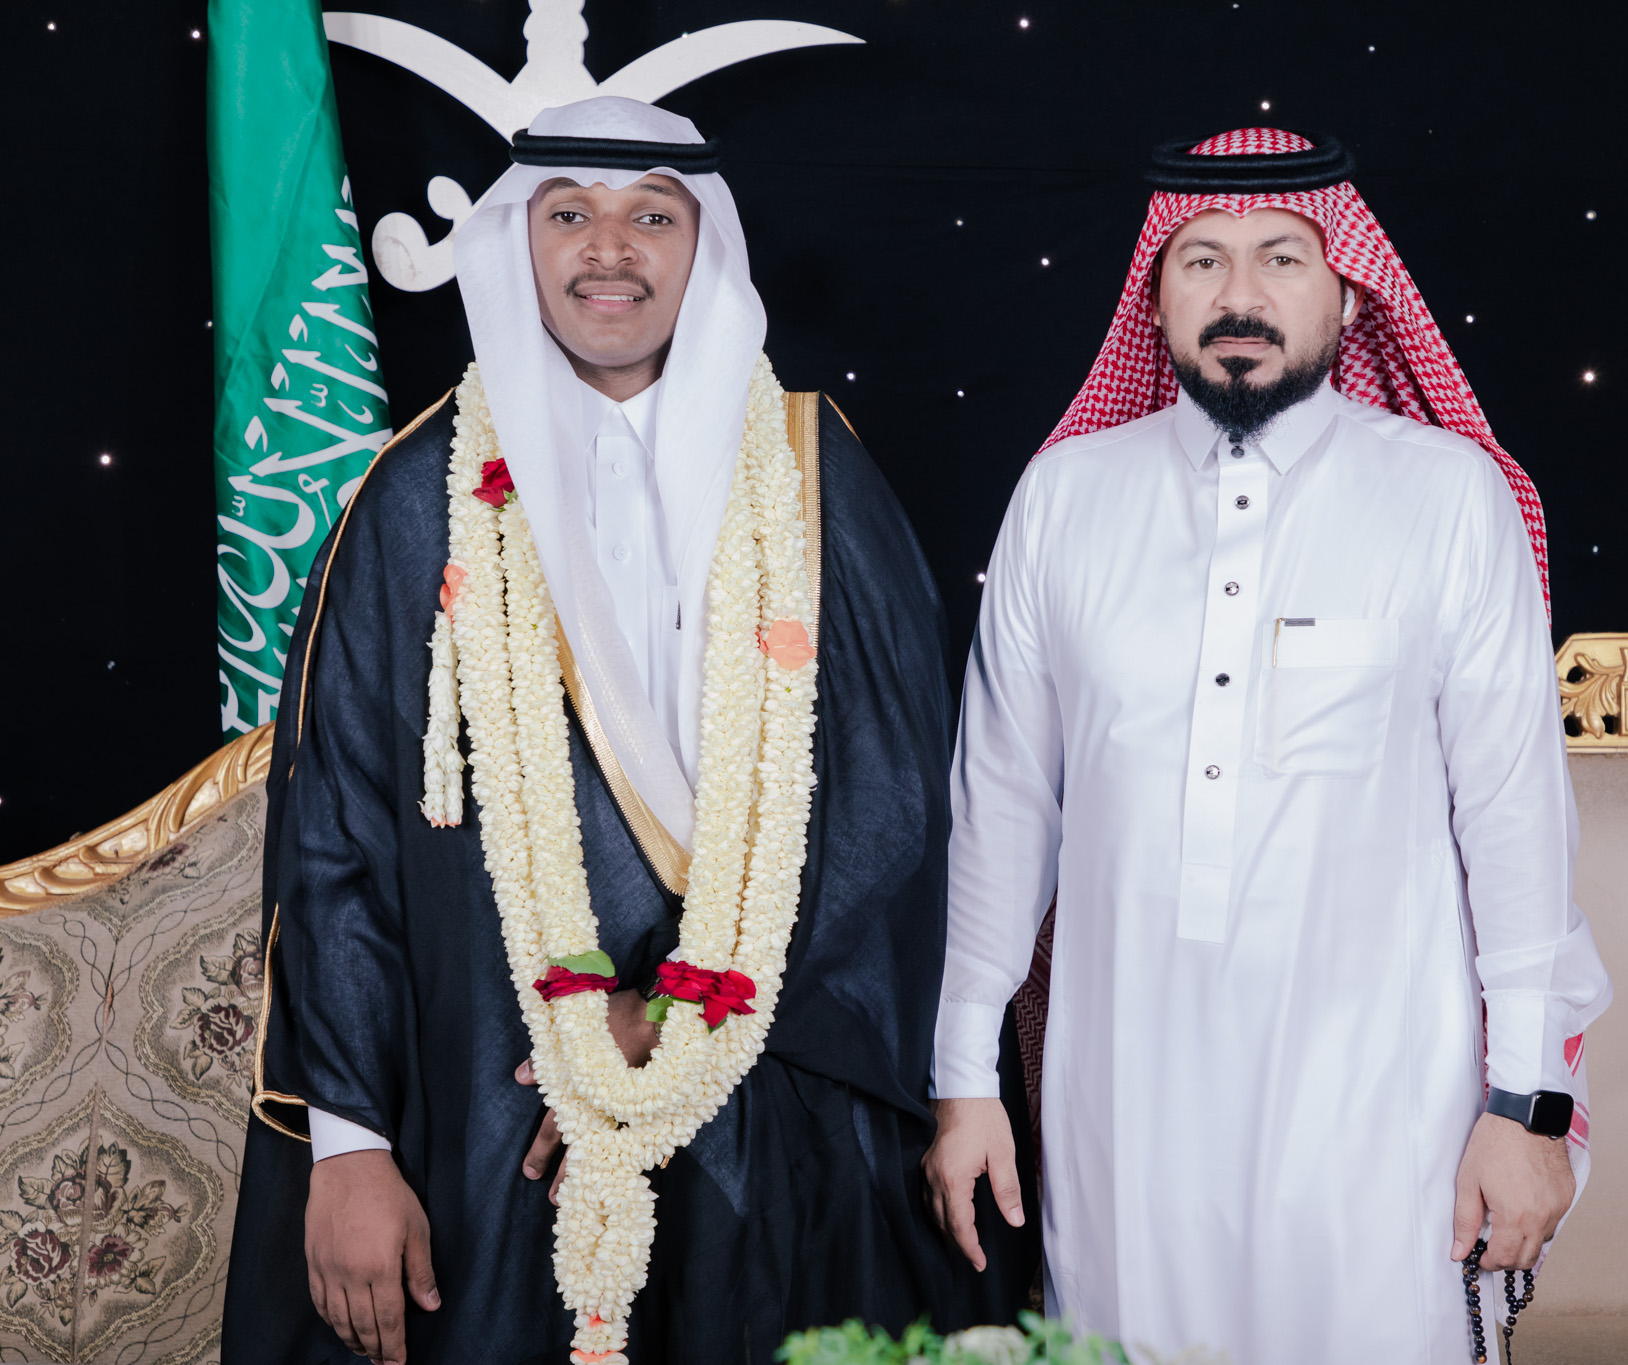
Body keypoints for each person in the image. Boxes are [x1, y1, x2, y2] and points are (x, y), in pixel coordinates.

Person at [223, 96, 1032, 1365]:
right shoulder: (415, 498)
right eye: (569, 215)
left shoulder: (814, 473)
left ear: (704, 245)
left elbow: (893, 811)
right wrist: (350, 1148)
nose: (609, 249)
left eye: (652, 216)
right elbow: (334, 844)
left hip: (778, 1095)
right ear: (516, 241)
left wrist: (675, 1020)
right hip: (492, 1109)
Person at [923, 128, 1614, 1364]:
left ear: (1346, 293)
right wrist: (963, 1080)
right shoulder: (1065, 497)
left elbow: (1513, 821)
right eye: (1201, 260)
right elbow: (1002, 812)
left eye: (1280, 258)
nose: (1238, 294)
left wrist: (1524, 1107)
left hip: (1384, 1101)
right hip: (1123, 1094)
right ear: (1154, 296)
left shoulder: (1446, 496)